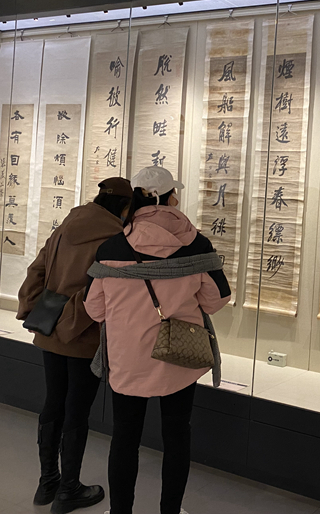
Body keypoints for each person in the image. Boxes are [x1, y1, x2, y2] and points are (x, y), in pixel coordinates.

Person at [84, 166, 231, 514]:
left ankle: (120, 511)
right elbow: (217, 299)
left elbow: (94, 308)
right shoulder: (197, 245)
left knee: (125, 438)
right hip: (179, 355)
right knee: (177, 435)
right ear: (169, 198)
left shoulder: (111, 247)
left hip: (127, 359)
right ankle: (171, 511)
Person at [18, 177, 134, 514]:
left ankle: (47, 482)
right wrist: (75, 319)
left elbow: (37, 269)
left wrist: (35, 308)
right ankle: (69, 488)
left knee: (53, 401)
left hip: (51, 328)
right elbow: (103, 290)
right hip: (85, 334)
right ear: (124, 206)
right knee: (77, 410)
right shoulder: (116, 238)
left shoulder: (66, 225)